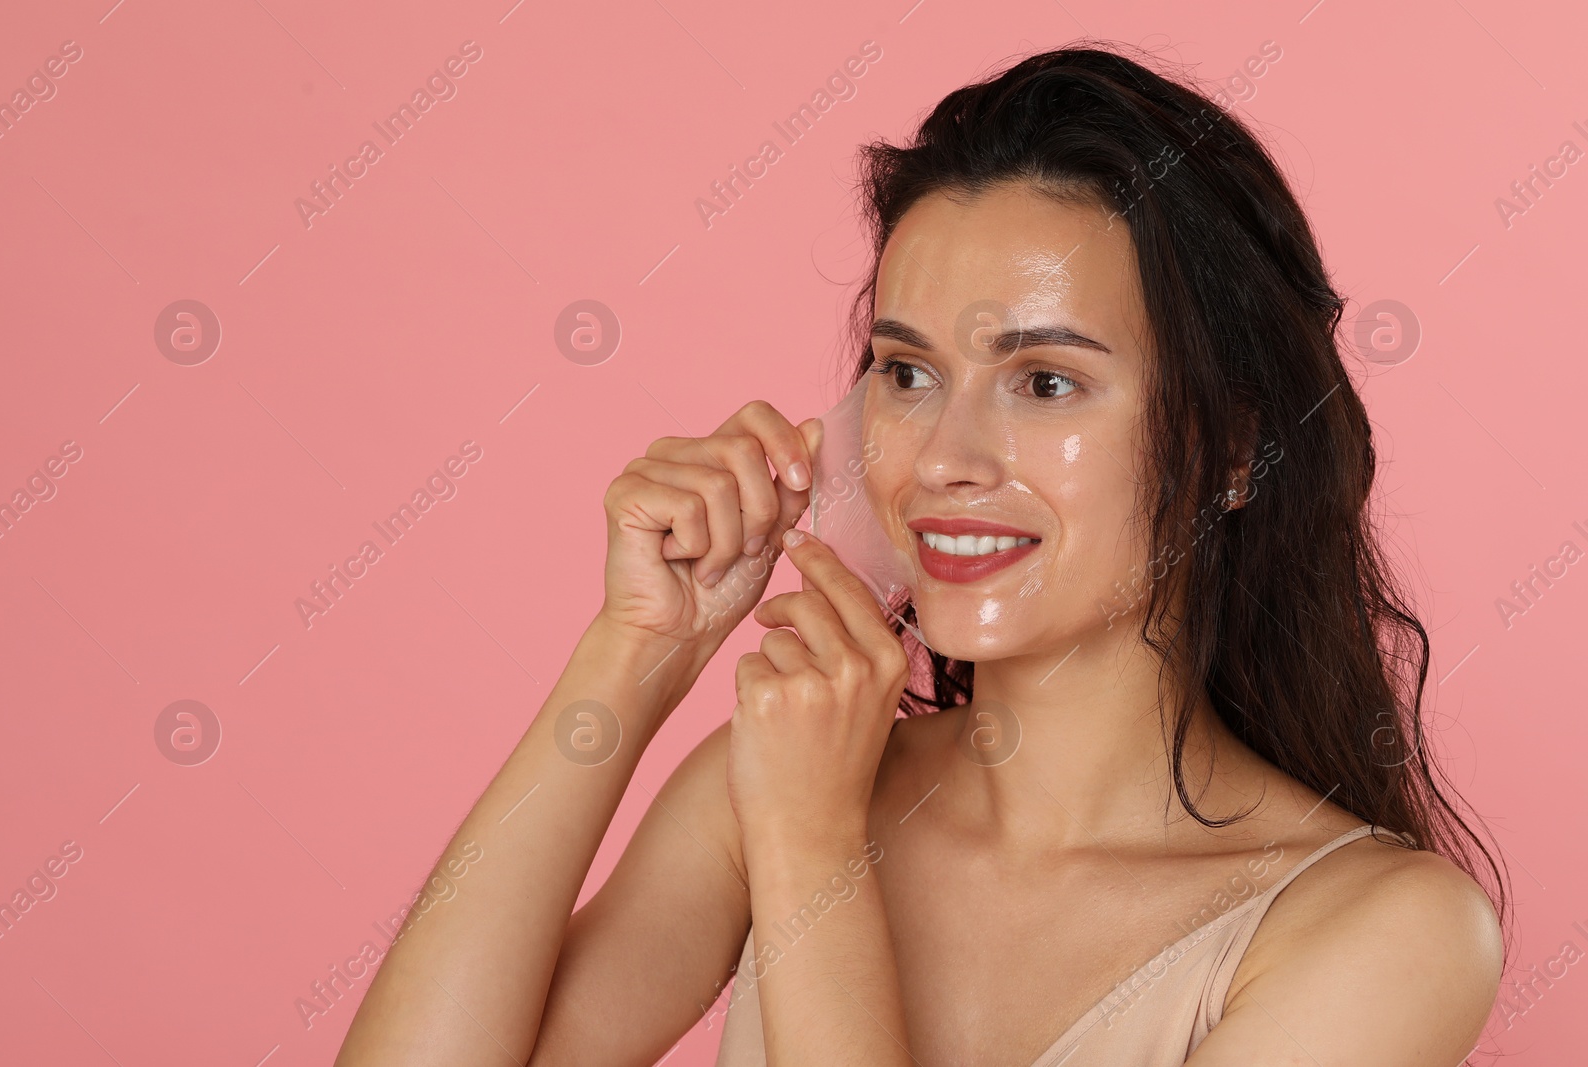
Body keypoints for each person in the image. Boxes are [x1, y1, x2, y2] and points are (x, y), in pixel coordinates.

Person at [336, 42, 1508, 1066]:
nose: (943, 456)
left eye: (1044, 382)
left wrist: (808, 851)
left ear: (1231, 450)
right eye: (906, 372)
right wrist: (638, 648)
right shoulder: (776, 778)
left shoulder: (1389, 935)